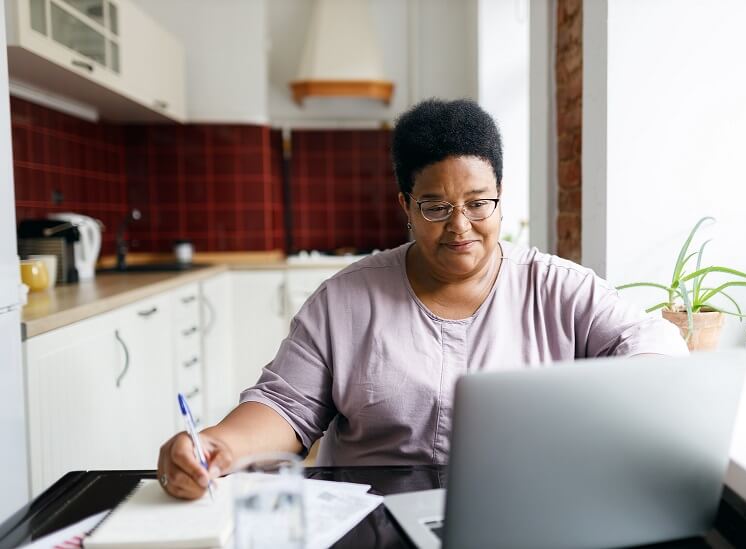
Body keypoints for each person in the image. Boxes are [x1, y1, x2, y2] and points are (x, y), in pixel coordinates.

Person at [157, 99, 688, 499]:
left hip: (516, 508)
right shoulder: (345, 299)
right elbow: (284, 407)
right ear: (405, 207)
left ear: (501, 197)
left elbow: (648, 340)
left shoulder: (556, 286)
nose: (461, 227)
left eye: (479, 203)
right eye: (435, 207)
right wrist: (219, 445)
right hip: (372, 517)